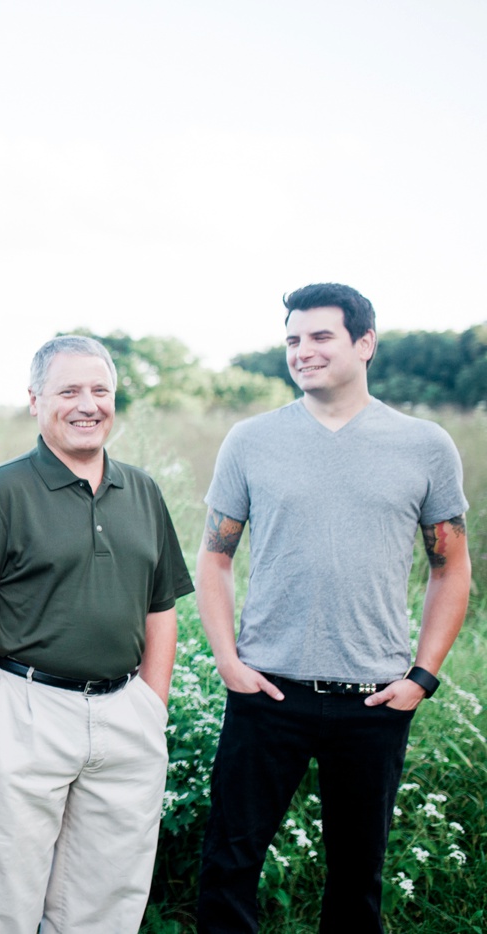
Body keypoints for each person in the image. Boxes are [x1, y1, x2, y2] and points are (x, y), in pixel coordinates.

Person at [195, 283, 471, 932]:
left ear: (364, 343)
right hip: (268, 691)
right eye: (293, 339)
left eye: (320, 336)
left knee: (357, 877)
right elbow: (215, 557)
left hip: (374, 699)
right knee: (230, 864)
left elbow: (451, 567)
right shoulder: (250, 440)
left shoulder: (425, 445)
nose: (303, 351)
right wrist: (228, 661)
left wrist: (422, 677)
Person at [0, 334, 193, 933]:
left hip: (124, 714)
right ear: (35, 400)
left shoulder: (143, 491)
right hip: (22, 712)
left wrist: (150, 704)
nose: (88, 404)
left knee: (107, 902)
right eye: (69, 390)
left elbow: (161, 606)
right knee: (0, 902)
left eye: (100, 390)